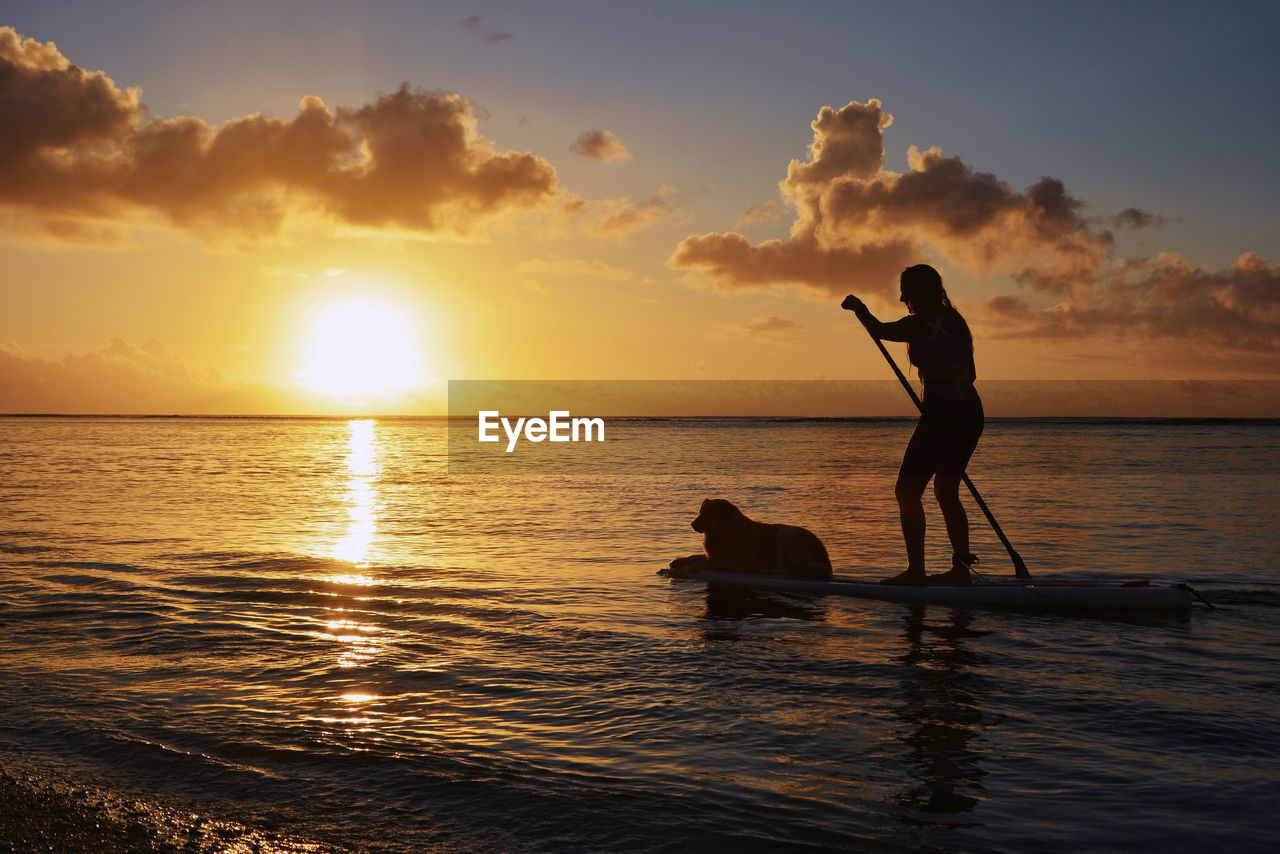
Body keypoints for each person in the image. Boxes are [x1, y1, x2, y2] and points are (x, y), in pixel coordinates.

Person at [841, 265, 983, 585]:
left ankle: (916, 572)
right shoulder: (956, 321)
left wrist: (858, 308)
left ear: (918, 292)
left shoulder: (918, 324)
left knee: (906, 492)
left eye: (906, 290)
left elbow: (879, 329)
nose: (902, 297)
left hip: (942, 416)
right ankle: (960, 570)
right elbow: (971, 374)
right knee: (946, 491)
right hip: (970, 413)